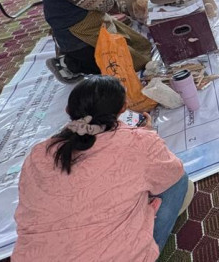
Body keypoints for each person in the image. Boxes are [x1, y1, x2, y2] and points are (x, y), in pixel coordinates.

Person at [13, 77, 190, 261]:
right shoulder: (139, 143)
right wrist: (148, 136)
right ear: (123, 108)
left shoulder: (39, 153)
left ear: (68, 111)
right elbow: (172, 172)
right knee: (179, 181)